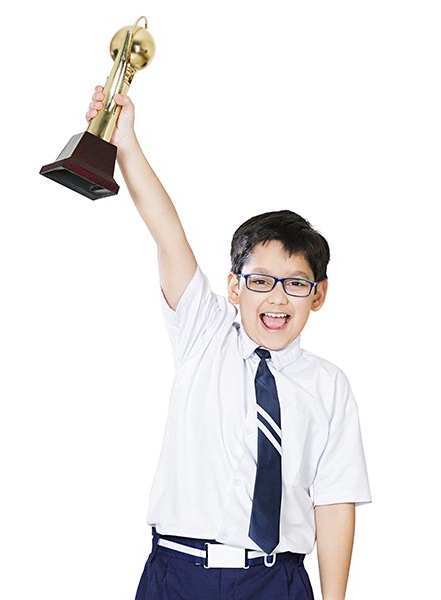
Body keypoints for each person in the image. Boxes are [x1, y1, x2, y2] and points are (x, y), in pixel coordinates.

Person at [85, 85, 371, 600]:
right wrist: (125, 143)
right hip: (179, 573)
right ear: (235, 286)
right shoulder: (204, 334)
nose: (277, 298)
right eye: (261, 281)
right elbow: (168, 232)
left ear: (319, 294)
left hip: (274, 579)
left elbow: (334, 502)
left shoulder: (328, 387)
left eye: (296, 283)